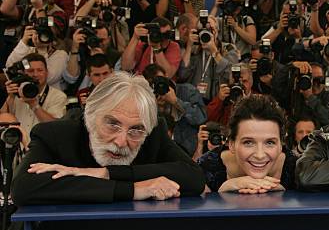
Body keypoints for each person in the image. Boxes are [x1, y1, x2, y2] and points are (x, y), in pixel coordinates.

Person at [12, 71, 206, 205]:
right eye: (112, 124)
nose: (121, 142)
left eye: (136, 130)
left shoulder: (152, 132)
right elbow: (24, 188)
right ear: (90, 115)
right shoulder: (55, 134)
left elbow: (194, 178)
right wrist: (133, 190)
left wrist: (105, 174)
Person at [197, 94, 296, 193]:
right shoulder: (205, 169)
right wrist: (222, 194)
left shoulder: (297, 169)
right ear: (231, 144)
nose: (260, 155)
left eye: (270, 142)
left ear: (281, 144)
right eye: (248, 142)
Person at [142, 64, 206, 156]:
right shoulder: (149, 98)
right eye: (153, 85)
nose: (158, 86)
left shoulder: (188, 90)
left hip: (188, 150)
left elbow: (200, 118)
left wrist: (176, 101)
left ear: (167, 76)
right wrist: (153, 105)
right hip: (161, 152)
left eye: (160, 81)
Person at [0, 53, 67, 136]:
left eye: (40, 70)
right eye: (30, 71)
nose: (35, 74)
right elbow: (2, 119)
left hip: (43, 147)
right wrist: (11, 96)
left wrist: (34, 105)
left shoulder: (58, 96)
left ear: (47, 72)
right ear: (23, 73)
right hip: (20, 146)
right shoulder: (17, 94)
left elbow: (55, 127)